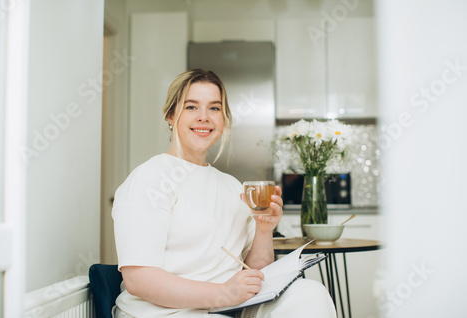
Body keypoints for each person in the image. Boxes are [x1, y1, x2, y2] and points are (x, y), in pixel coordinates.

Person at [111, 69, 336, 318]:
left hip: (230, 307)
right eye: (191, 107)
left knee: (310, 295)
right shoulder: (151, 178)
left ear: (224, 118)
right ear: (171, 115)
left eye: (214, 108)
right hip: (166, 312)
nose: (204, 117)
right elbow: (139, 280)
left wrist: (264, 229)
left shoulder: (233, 186)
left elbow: (256, 271)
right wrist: (222, 293)